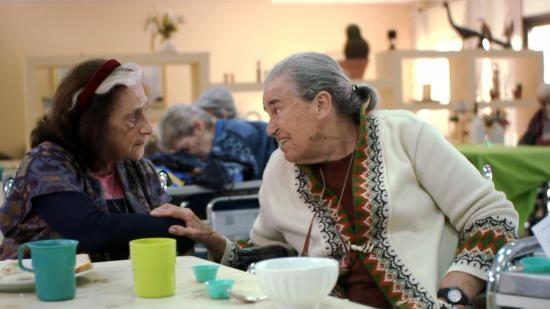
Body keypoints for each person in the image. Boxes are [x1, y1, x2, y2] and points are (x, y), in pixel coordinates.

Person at [151, 52, 519, 308]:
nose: (270, 127)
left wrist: (455, 296)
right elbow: (272, 258)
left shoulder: (404, 136)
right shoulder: (278, 169)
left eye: (276, 108)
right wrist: (214, 241)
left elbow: (493, 217)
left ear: (321, 104)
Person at [0, 58, 194, 261]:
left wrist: (178, 229)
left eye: (144, 110)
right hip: (39, 288)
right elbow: (88, 231)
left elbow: (181, 237)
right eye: (132, 116)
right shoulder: (46, 163)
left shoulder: (138, 169)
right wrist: (174, 228)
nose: (148, 127)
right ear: (94, 124)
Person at [157, 104, 277, 183]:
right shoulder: (227, 134)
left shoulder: (234, 135)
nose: (189, 156)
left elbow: (234, 177)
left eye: (186, 149)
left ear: (198, 127)